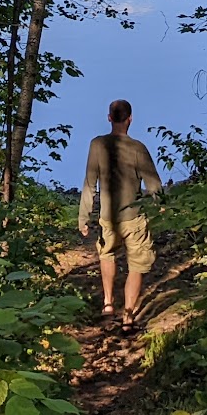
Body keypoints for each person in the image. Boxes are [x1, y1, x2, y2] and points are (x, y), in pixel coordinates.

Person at [77, 98, 163, 332]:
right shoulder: (138, 148)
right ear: (130, 119)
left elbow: (89, 184)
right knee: (136, 265)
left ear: (109, 118)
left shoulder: (97, 145)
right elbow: (153, 183)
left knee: (107, 255)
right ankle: (128, 317)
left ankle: (107, 303)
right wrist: (163, 207)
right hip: (134, 218)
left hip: (108, 218)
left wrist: (83, 217)